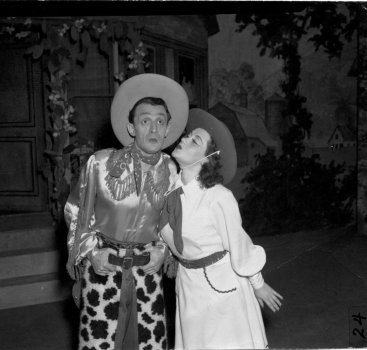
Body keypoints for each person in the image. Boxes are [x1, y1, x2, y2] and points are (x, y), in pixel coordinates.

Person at [64, 73, 189, 350]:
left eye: (160, 121)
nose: (154, 130)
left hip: (147, 271)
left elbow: (176, 222)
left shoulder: (171, 169)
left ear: (168, 128)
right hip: (103, 271)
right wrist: (91, 254)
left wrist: (164, 252)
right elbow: (76, 212)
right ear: (131, 128)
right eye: (145, 121)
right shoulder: (100, 163)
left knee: (150, 345)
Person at [159, 108, 283, 349]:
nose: (184, 138)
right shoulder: (168, 192)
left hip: (222, 289)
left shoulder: (218, 197)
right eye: (188, 134)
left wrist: (258, 284)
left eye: (194, 140)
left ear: (206, 159)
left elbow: (239, 245)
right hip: (187, 285)